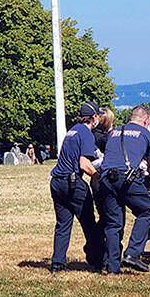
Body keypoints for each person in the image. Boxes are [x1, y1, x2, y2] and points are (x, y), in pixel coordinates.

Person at [95, 105, 150, 273]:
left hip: (106, 179)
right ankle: (133, 253)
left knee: (113, 224)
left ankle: (113, 267)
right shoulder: (146, 134)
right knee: (146, 210)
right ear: (145, 120)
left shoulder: (113, 132)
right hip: (127, 179)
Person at [50, 102, 104, 272]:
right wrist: (99, 177)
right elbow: (84, 164)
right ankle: (98, 260)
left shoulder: (72, 131)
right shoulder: (87, 134)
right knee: (89, 223)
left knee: (63, 224)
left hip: (56, 182)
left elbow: (93, 152)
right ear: (94, 117)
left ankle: (57, 263)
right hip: (72, 183)